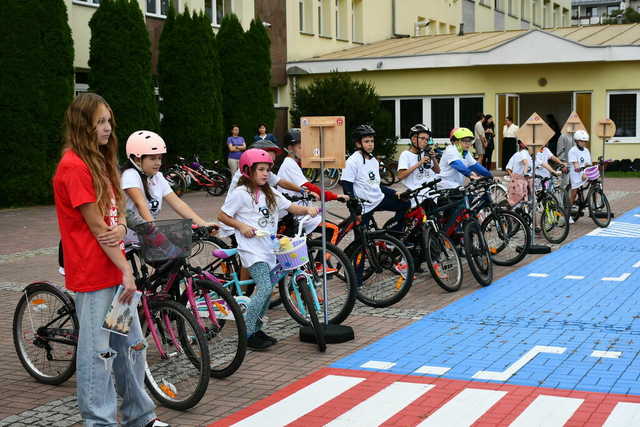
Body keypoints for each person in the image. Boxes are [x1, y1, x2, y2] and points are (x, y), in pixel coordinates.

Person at [52, 93, 168, 427]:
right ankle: (99, 421)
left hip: (114, 276)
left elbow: (114, 209)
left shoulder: (101, 160)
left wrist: (120, 225)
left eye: (108, 121)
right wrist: (125, 273)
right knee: (98, 355)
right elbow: (96, 226)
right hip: (95, 277)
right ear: (82, 125)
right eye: (100, 122)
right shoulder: (73, 166)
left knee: (130, 347)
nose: (107, 128)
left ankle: (140, 417)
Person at [218, 149, 318, 350]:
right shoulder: (240, 193)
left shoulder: (270, 193)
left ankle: (256, 328)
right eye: (260, 170)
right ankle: (246, 333)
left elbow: (290, 207)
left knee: (266, 289)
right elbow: (223, 216)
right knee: (264, 287)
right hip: (251, 249)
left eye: (267, 170)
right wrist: (242, 226)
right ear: (247, 171)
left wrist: (307, 209)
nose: (265, 174)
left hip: (269, 248)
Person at [121, 130, 217, 239]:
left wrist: (202, 223)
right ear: (137, 159)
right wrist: (154, 233)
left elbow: (178, 204)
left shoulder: (157, 177)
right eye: (152, 159)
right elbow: (140, 204)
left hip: (145, 238)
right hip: (127, 239)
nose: (158, 163)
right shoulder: (130, 175)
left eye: (159, 158)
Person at [277, 128, 349, 233]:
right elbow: (310, 187)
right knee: (333, 230)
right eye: (300, 147)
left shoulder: (295, 163)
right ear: (290, 148)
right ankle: (323, 249)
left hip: (301, 212)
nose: (304, 151)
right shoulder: (289, 164)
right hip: (294, 215)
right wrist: (335, 196)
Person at [340, 125, 410, 231]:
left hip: (378, 199)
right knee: (361, 239)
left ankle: (394, 235)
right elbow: (347, 187)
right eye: (367, 141)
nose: (370, 144)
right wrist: (354, 210)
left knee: (405, 204)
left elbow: (375, 185)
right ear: (358, 143)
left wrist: (394, 193)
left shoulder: (373, 160)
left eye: (372, 141)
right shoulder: (352, 161)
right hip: (364, 206)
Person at [396, 124, 441, 207]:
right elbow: (400, 175)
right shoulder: (406, 155)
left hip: (430, 193)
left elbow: (437, 171)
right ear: (413, 139)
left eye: (427, 139)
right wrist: (420, 163)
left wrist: (434, 158)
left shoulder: (425, 153)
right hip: (417, 196)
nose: (425, 141)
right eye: (422, 138)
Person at [568, 130, 592, 218]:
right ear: (577, 141)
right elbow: (575, 164)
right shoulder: (572, 151)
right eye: (582, 141)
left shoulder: (586, 150)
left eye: (585, 141)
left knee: (596, 182)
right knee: (574, 192)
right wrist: (580, 170)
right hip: (575, 173)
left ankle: (593, 206)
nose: (584, 143)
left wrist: (587, 170)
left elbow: (588, 163)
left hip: (584, 172)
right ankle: (569, 213)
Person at [505, 139, 533, 206]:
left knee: (526, 200)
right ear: (520, 144)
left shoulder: (528, 155)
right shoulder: (520, 153)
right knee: (517, 202)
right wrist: (513, 177)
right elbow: (508, 168)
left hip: (527, 181)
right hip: (518, 181)